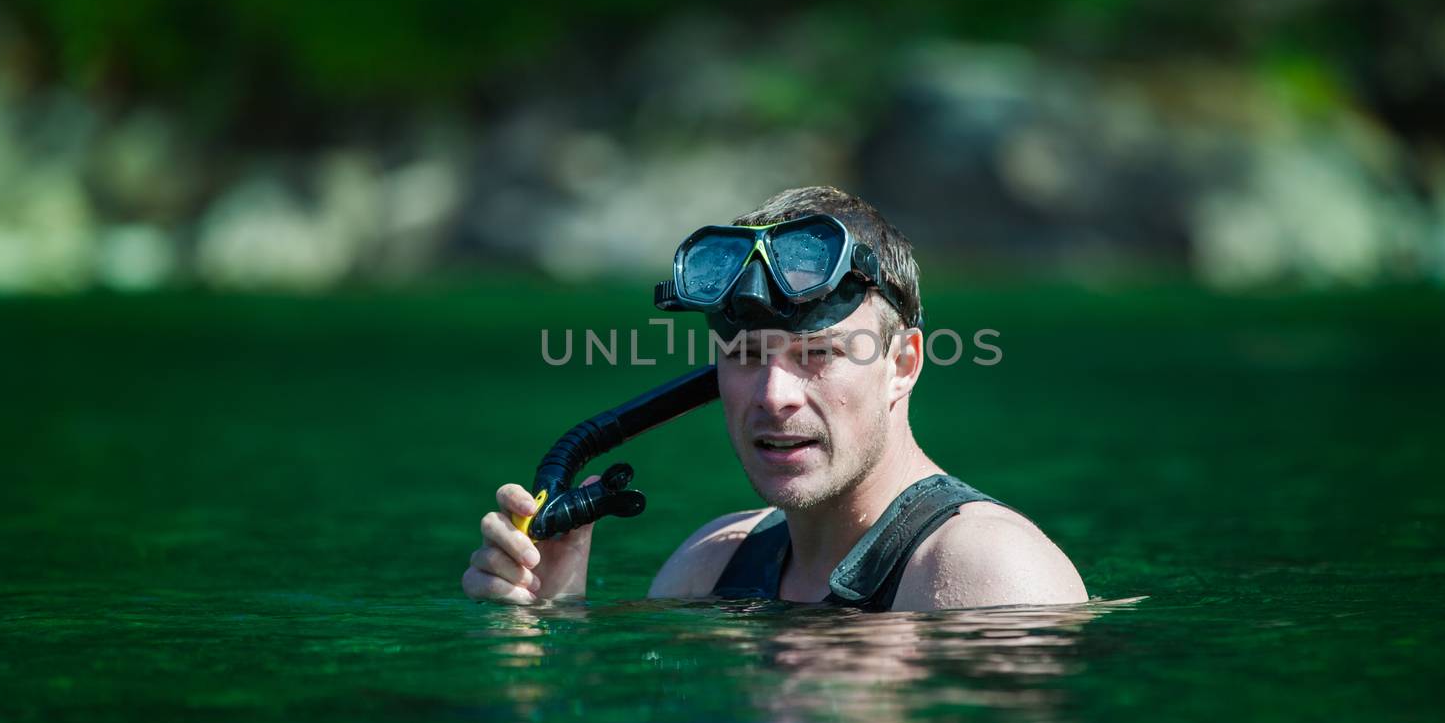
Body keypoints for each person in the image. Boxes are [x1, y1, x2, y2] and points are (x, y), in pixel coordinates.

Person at [462, 186, 1087, 611]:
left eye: (816, 354)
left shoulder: (987, 575)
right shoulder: (711, 568)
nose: (773, 395)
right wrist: (549, 616)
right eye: (746, 356)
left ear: (902, 365)